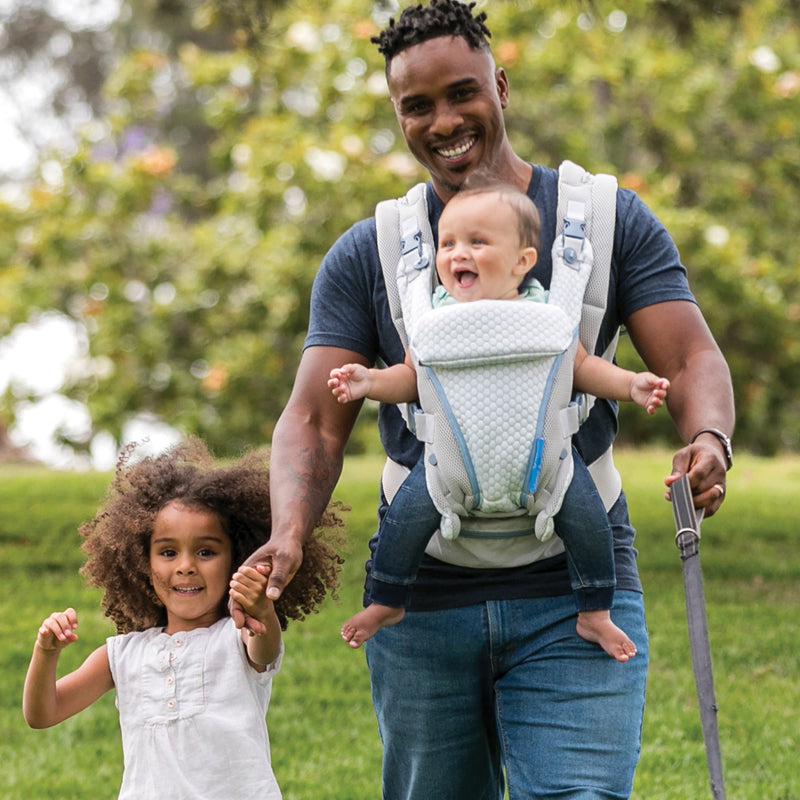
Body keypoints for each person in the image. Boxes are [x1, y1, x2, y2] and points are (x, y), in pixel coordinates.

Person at [239, 1, 735, 797]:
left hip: (576, 582)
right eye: (417, 105)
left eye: (462, 93)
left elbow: (689, 354)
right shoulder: (371, 252)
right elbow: (313, 419)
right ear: (397, 114)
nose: (444, 121)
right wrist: (289, 530)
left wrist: (709, 438)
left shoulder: (606, 221)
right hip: (421, 591)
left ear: (500, 86)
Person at [328, 178, 670, 659]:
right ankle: (387, 599)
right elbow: (409, 378)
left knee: (591, 525)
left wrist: (631, 385)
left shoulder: (546, 312)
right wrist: (368, 382)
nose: (457, 254)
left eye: (477, 242)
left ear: (522, 261)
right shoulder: (432, 317)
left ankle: (594, 611)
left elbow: (584, 368)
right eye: (448, 243)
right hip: (446, 468)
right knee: (401, 526)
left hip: (547, 464)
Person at [22, 438, 343, 800]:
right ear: (143, 563)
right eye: (168, 552)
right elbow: (42, 714)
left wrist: (260, 608)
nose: (186, 566)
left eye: (205, 552)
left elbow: (264, 648)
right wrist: (45, 653)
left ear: (237, 559)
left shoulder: (236, 637)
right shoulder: (121, 655)